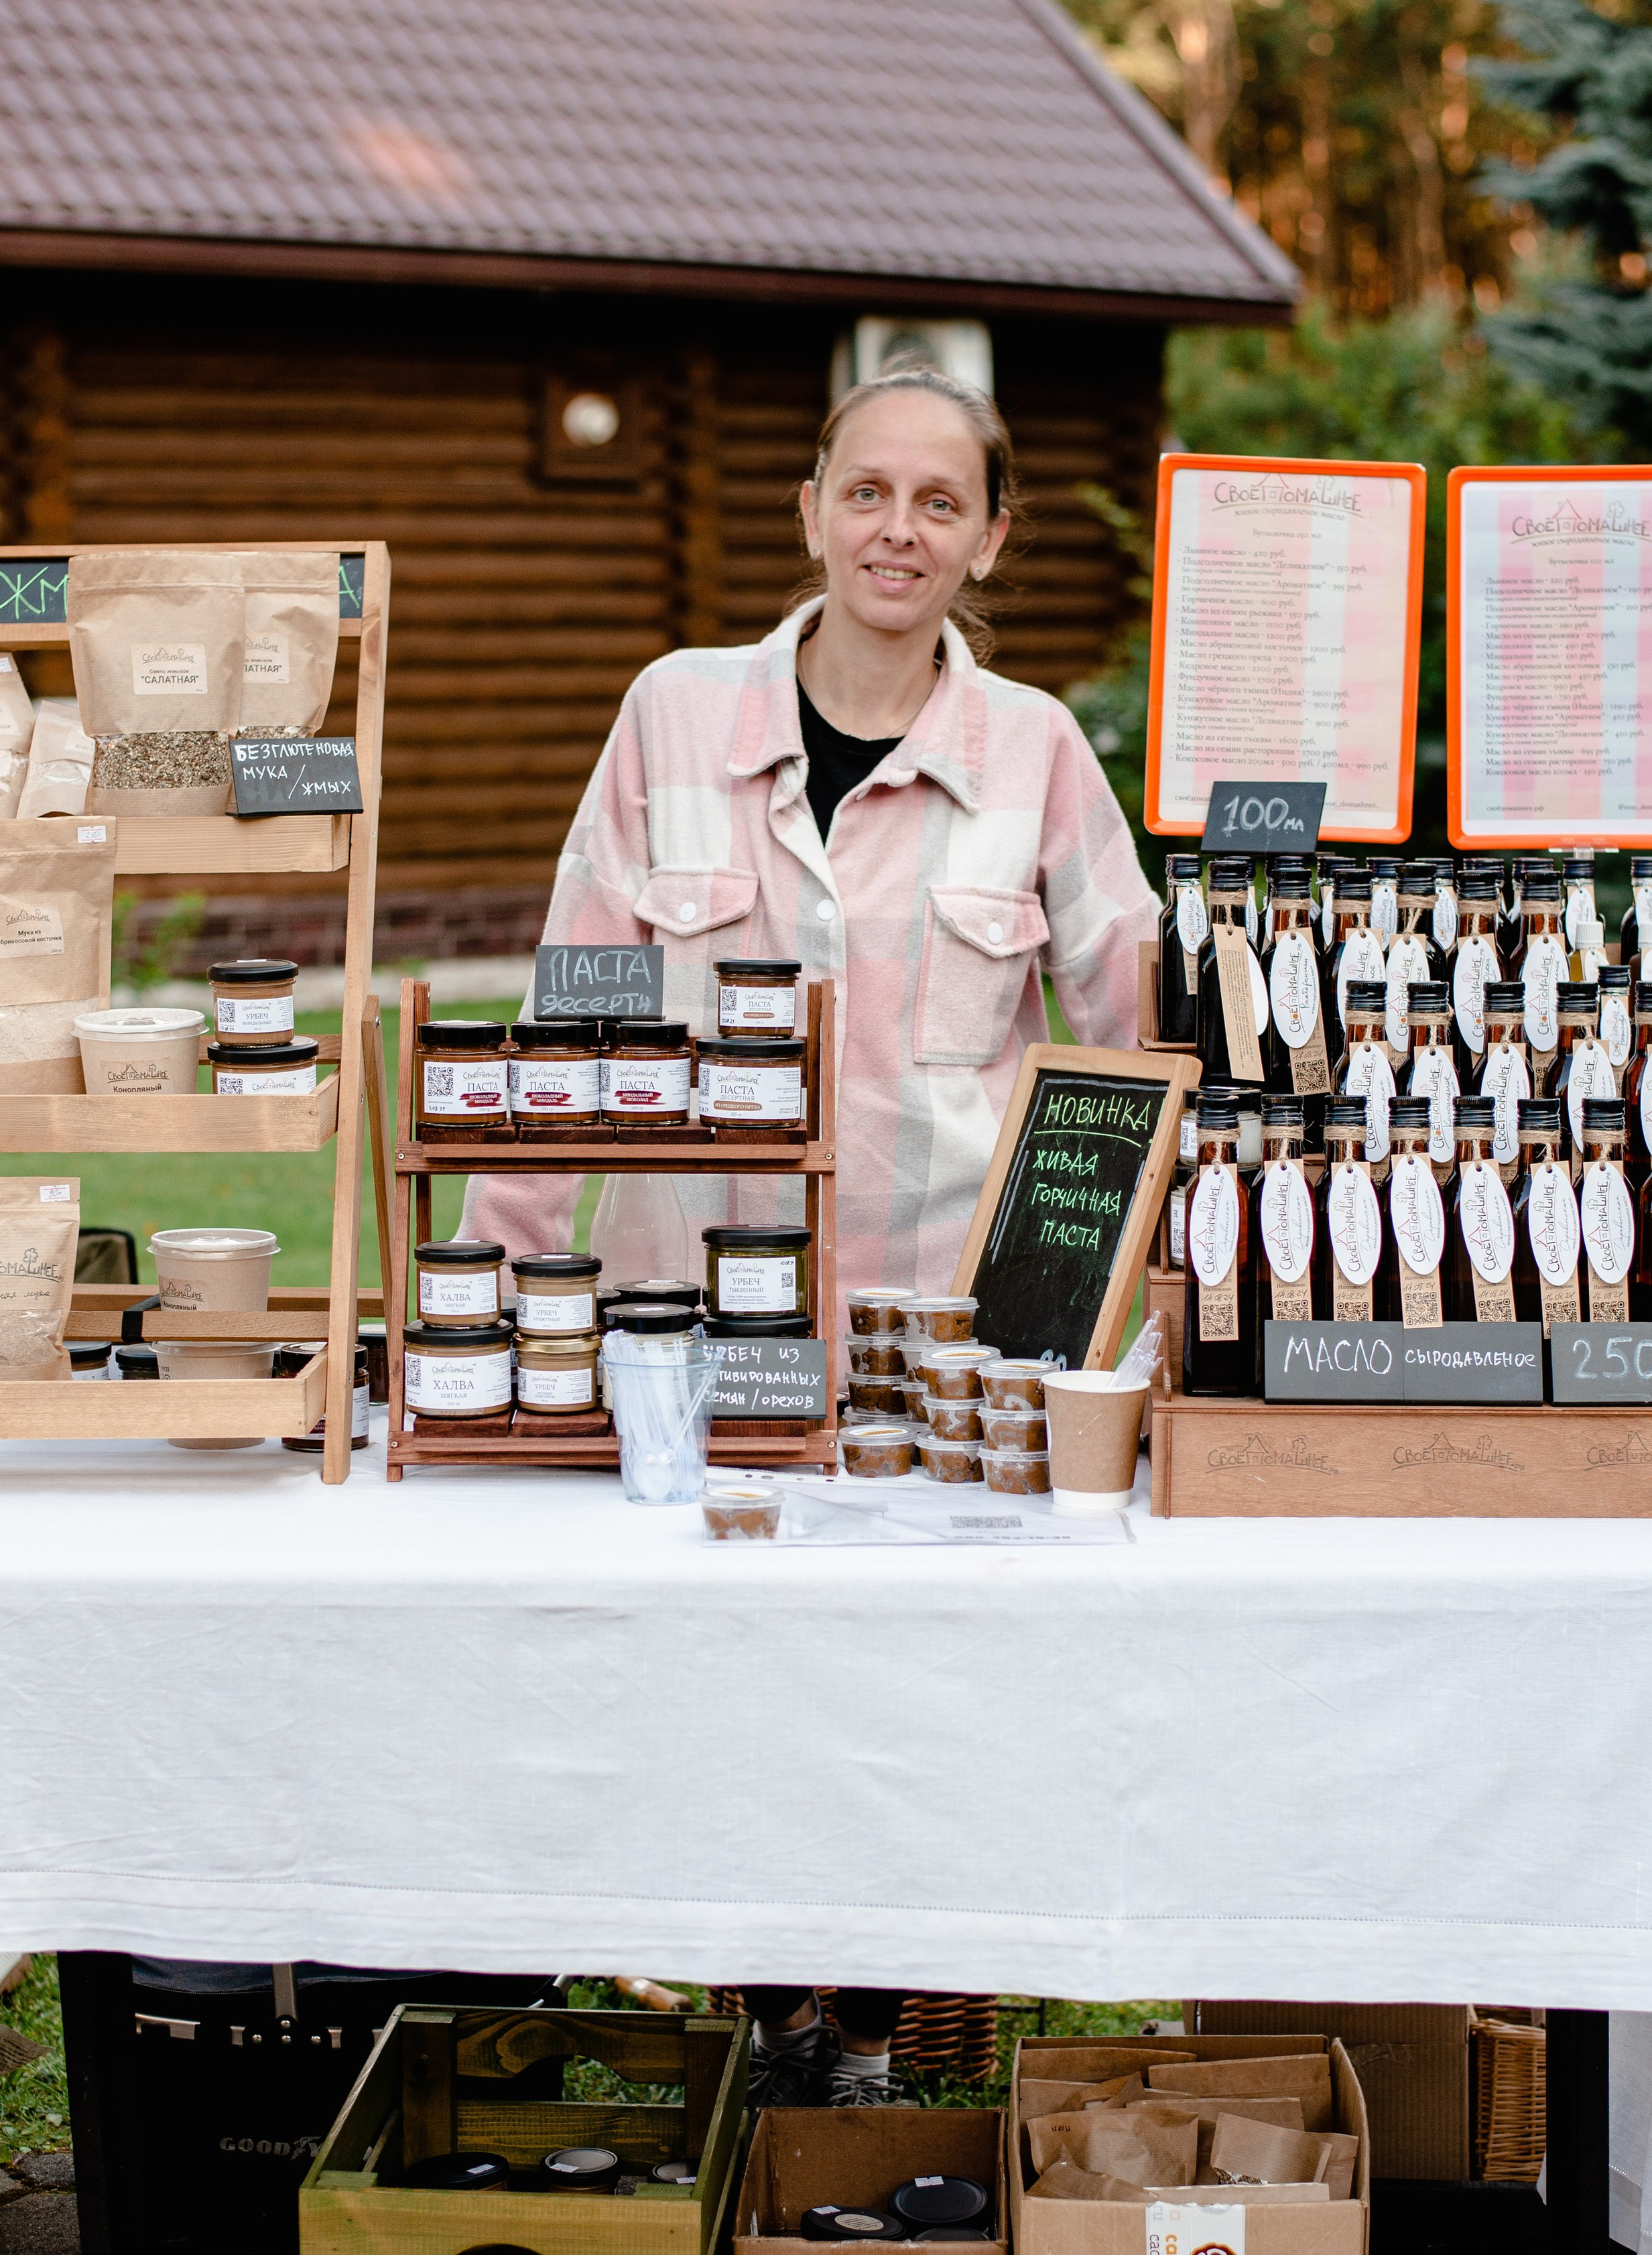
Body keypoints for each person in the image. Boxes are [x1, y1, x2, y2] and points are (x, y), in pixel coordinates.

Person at [465, 366, 1157, 2102]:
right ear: (813, 508)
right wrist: (488, 1305)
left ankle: (874, 2029)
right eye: (869, 492)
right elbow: (574, 992)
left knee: (920, 1706)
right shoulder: (675, 714)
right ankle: (772, 2011)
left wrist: (1124, 1306)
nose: (897, 532)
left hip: (940, 1358)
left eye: (940, 502)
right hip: (693, 1339)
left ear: (988, 537)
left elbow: (1127, 1043)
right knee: (717, 1692)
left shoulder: (1037, 753)